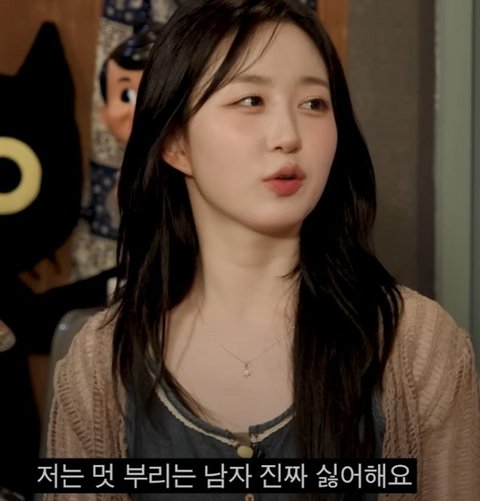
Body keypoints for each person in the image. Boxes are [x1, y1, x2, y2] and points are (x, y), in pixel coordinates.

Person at [46, 0, 480, 500]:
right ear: (176, 143)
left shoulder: (418, 348)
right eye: (251, 100)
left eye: (313, 103)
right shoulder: (98, 365)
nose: (288, 136)